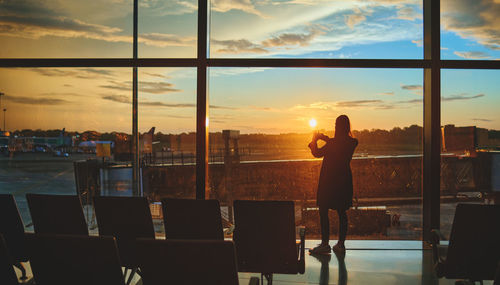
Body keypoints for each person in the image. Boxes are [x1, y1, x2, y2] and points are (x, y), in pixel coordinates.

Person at [308, 115, 358, 255]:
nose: (335, 127)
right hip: (343, 181)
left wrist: (315, 139)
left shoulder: (332, 144)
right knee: (342, 212)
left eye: (336, 125)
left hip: (328, 181)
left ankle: (325, 244)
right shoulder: (353, 142)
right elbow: (340, 144)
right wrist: (326, 139)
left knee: (323, 211)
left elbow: (317, 153)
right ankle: (340, 244)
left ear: (338, 126)